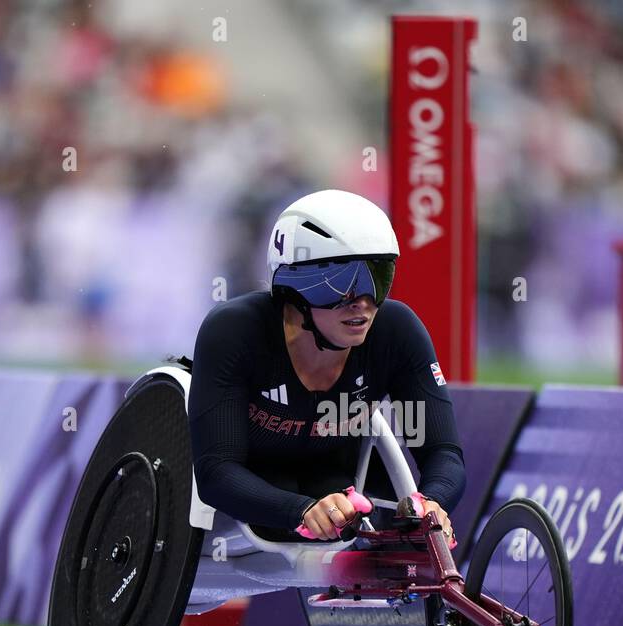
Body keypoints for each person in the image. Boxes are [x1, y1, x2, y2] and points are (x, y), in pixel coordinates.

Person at [188, 189, 465, 541]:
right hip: (255, 486)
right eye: (341, 283)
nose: (362, 302)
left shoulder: (397, 331)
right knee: (297, 490)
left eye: (378, 278)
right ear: (293, 287)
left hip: (340, 483)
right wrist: (301, 510)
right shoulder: (233, 331)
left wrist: (432, 502)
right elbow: (215, 472)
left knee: (367, 509)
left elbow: (443, 452)